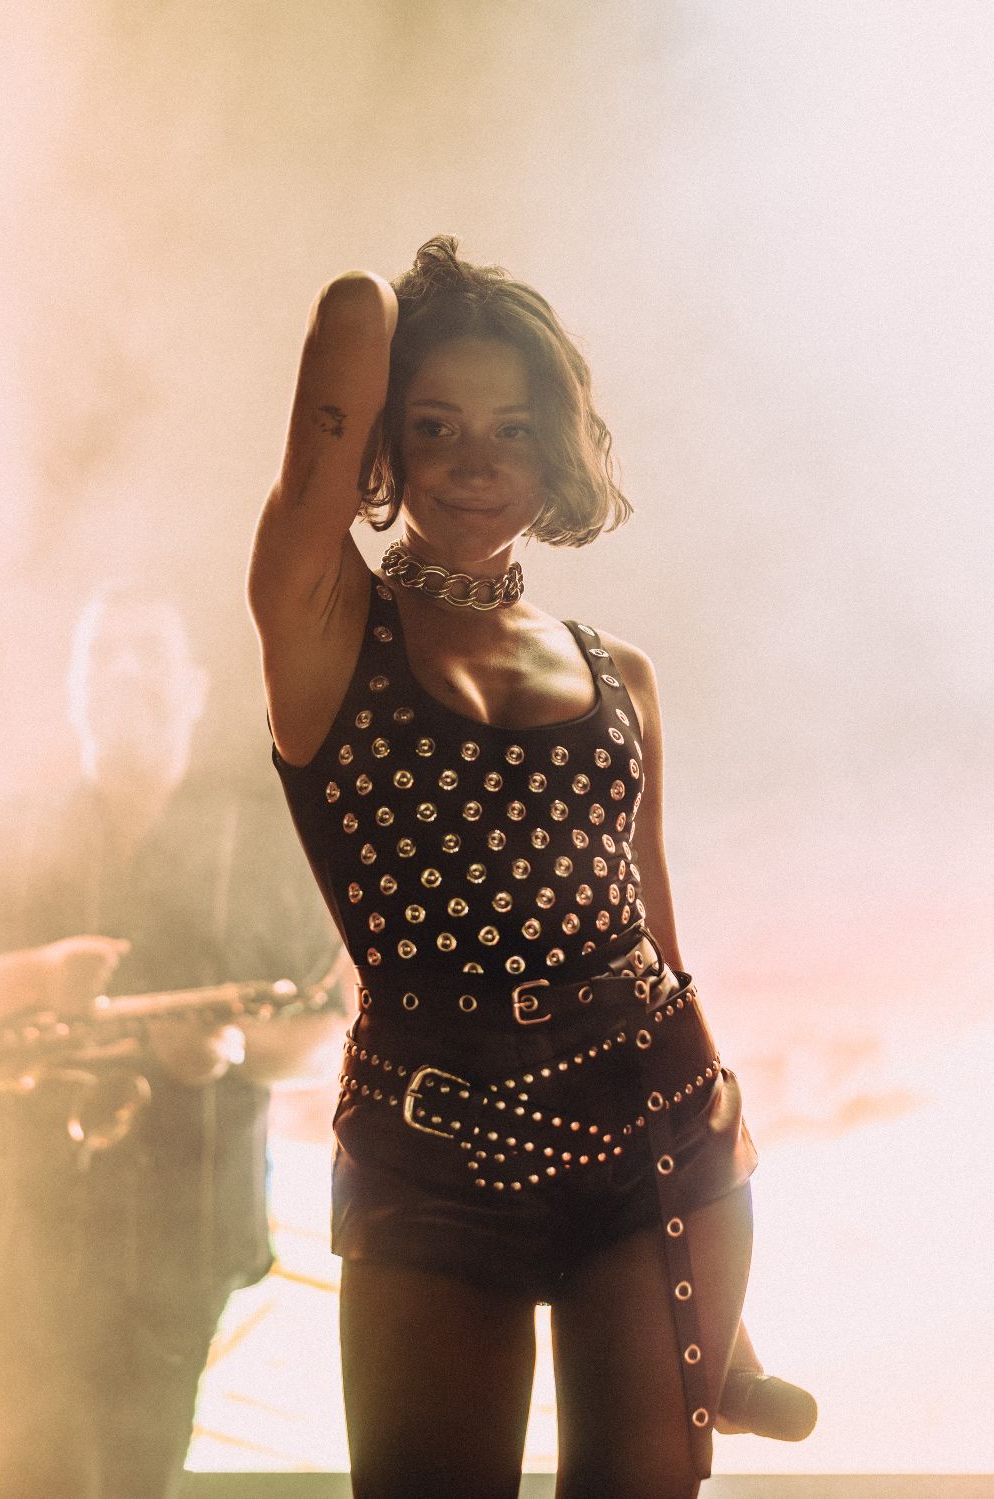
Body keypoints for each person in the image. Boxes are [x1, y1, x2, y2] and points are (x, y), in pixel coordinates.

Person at [248, 237, 810, 1497]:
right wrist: (430, 296)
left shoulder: (622, 674)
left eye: (511, 429)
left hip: (661, 1134)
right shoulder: (323, 613)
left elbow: (658, 947)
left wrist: (722, 1258)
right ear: (382, 444)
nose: (475, 461)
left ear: (554, 447)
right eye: (435, 425)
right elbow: (349, 316)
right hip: (430, 1150)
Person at [0, 585, 350, 1499]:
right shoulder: (15, 830)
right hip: (20, 1239)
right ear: (73, 686)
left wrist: (228, 1048)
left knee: (133, 1478)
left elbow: (324, 1033)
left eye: (146, 654)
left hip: (183, 1242)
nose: (122, 672)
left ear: (193, 689)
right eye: (101, 655)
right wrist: (38, 976)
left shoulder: (263, 842)